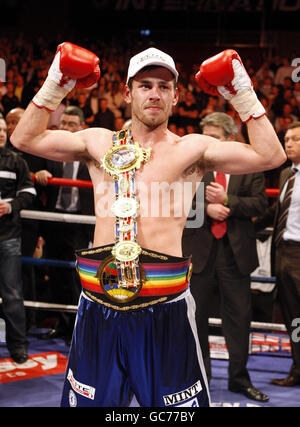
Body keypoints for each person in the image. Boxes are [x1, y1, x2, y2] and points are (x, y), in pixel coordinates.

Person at [11, 43, 286, 407]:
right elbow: (24, 138)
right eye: (145, 85)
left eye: (163, 86)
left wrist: (242, 95)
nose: (154, 94)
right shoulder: (98, 142)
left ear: (175, 96)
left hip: (165, 304)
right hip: (99, 303)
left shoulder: (192, 149)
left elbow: (271, 155)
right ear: (127, 92)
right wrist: (56, 82)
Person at [182, 112, 269, 402]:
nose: (207, 144)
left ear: (230, 138)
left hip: (236, 256)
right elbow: (177, 200)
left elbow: (260, 203)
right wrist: (205, 209)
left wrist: (228, 202)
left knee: (240, 321)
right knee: (196, 319)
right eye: (205, 137)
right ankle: (200, 377)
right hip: (200, 254)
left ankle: (239, 379)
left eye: (214, 138)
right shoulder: (193, 165)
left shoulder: (249, 164)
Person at [34, 106, 94, 343]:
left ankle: (79, 328)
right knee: (57, 274)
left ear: (81, 127)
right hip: (56, 221)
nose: (66, 129)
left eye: (72, 124)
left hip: (81, 223)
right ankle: (63, 323)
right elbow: (37, 179)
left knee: (78, 277)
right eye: (63, 124)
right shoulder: (52, 152)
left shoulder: (91, 154)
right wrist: (39, 173)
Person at [254, 121, 300, 387]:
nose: (289, 143)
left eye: (295, 139)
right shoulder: (286, 175)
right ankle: (297, 370)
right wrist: (248, 226)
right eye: (287, 139)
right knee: (292, 316)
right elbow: (276, 211)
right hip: (283, 252)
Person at [0, 115, 36, 364]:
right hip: (8, 238)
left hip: (8, 236)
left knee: (12, 294)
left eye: (3, 129)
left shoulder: (16, 161)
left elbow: (29, 191)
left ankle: (18, 347)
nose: (2, 133)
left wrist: (11, 205)